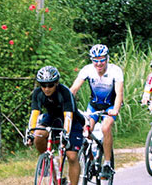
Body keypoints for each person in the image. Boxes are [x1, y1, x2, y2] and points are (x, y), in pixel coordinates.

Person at [70, 44, 124, 180]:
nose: (99, 63)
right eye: (95, 60)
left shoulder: (115, 71)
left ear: (107, 58)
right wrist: (67, 104)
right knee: (86, 130)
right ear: (91, 60)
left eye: (102, 59)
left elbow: (119, 93)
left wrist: (116, 110)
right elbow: (74, 88)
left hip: (111, 106)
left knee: (106, 128)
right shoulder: (88, 70)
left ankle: (106, 163)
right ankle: (91, 154)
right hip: (94, 106)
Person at [27, 66, 85, 185]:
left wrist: (66, 135)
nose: (47, 89)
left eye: (50, 85)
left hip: (72, 120)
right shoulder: (38, 93)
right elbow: (34, 114)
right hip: (52, 118)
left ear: (56, 83)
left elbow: (68, 117)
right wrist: (31, 134)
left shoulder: (64, 92)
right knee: (39, 135)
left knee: (71, 156)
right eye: (43, 85)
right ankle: (49, 162)